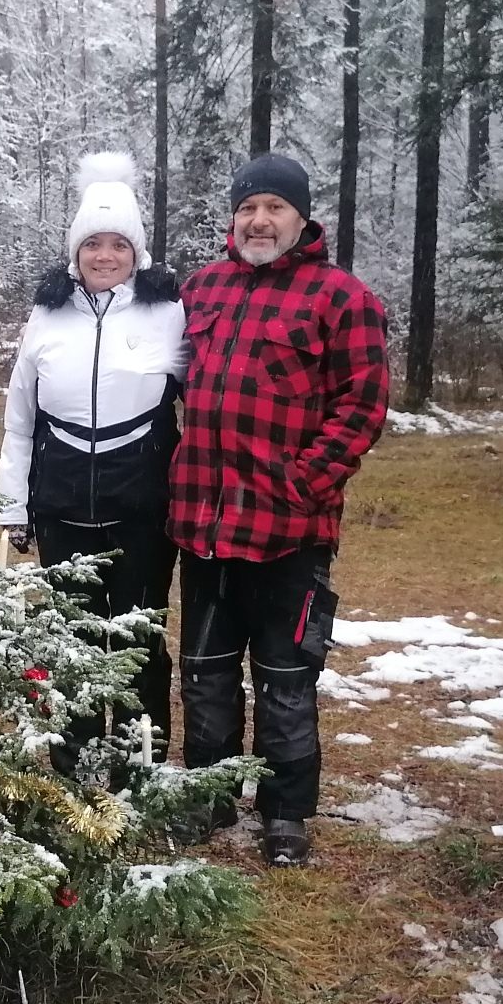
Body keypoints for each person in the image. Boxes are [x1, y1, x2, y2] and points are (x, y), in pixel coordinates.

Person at [170, 154, 390, 867]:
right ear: (233, 219)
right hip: (203, 524)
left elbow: (362, 407)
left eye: (274, 208)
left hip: (289, 531)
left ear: (302, 218)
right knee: (204, 673)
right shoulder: (201, 290)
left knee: (286, 679)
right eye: (247, 209)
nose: (259, 221)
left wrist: (305, 484)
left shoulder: (341, 299)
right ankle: (207, 796)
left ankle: (285, 812)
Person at [0, 152, 186, 774]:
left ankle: (141, 764)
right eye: (93, 245)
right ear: (75, 253)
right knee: (71, 642)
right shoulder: (46, 315)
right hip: (62, 507)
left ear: (138, 253)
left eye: (119, 245)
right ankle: (73, 764)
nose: (105, 257)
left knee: (137, 641)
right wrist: (13, 506)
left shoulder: (168, 311)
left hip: (143, 511)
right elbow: (20, 415)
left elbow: (203, 405)